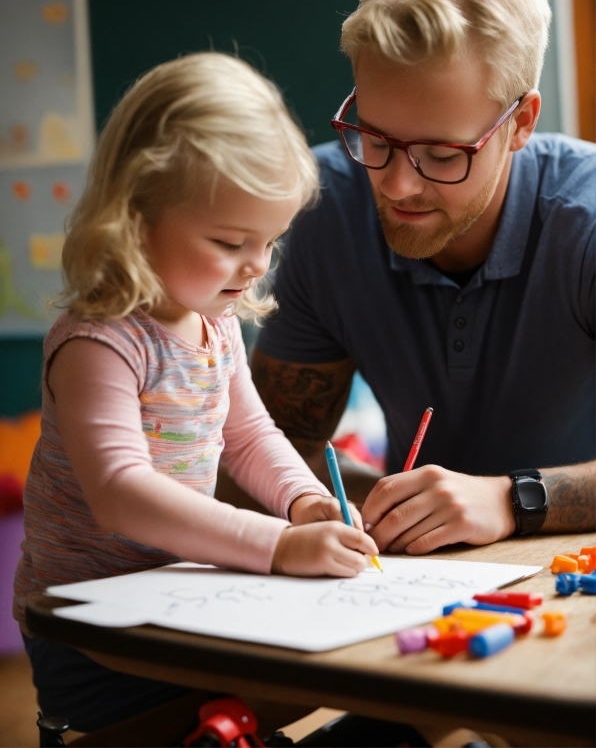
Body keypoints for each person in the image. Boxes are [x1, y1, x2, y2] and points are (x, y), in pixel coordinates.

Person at [13, 53, 378, 733]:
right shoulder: (99, 342)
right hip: (86, 623)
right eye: (231, 240)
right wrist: (277, 546)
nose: (259, 265)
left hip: (177, 594)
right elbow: (121, 491)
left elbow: (249, 436)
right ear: (135, 215)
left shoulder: (216, 321)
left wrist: (304, 503)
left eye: (271, 240)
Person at [252, 0, 596, 559]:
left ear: (521, 124)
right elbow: (269, 447)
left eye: (442, 155)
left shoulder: (587, 224)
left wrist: (512, 500)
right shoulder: (319, 212)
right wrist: (335, 505)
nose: (396, 185)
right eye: (374, 138)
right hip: (409, 580)